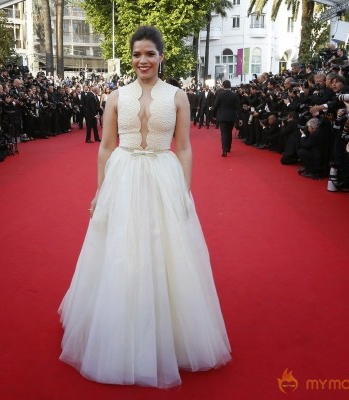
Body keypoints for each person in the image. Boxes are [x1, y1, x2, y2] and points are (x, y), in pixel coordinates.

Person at [58, 26, 231, 388]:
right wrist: (99, 191)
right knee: (121, 250)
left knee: (165, 252)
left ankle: (165, 332)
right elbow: (105, 146)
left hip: (162, 175)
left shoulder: (178, 96)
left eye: (150, 53)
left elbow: (183, 147)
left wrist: (184, 192)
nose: (143, 60)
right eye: (137, 54)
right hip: (123, 175)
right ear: (131, 57)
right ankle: (119, 327)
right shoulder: (117, 96)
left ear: (161, 56)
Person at [212, 79, 239, 156]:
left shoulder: (220, 94)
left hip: (222, 116)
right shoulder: (234, 95)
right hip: (231, 116)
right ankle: (228, 147)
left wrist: (214, 115)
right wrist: (239, 117)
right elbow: (238, 107)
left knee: (224, 133)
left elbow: (215, 106)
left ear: (223, 86)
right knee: (229, 132)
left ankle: (224, 150)